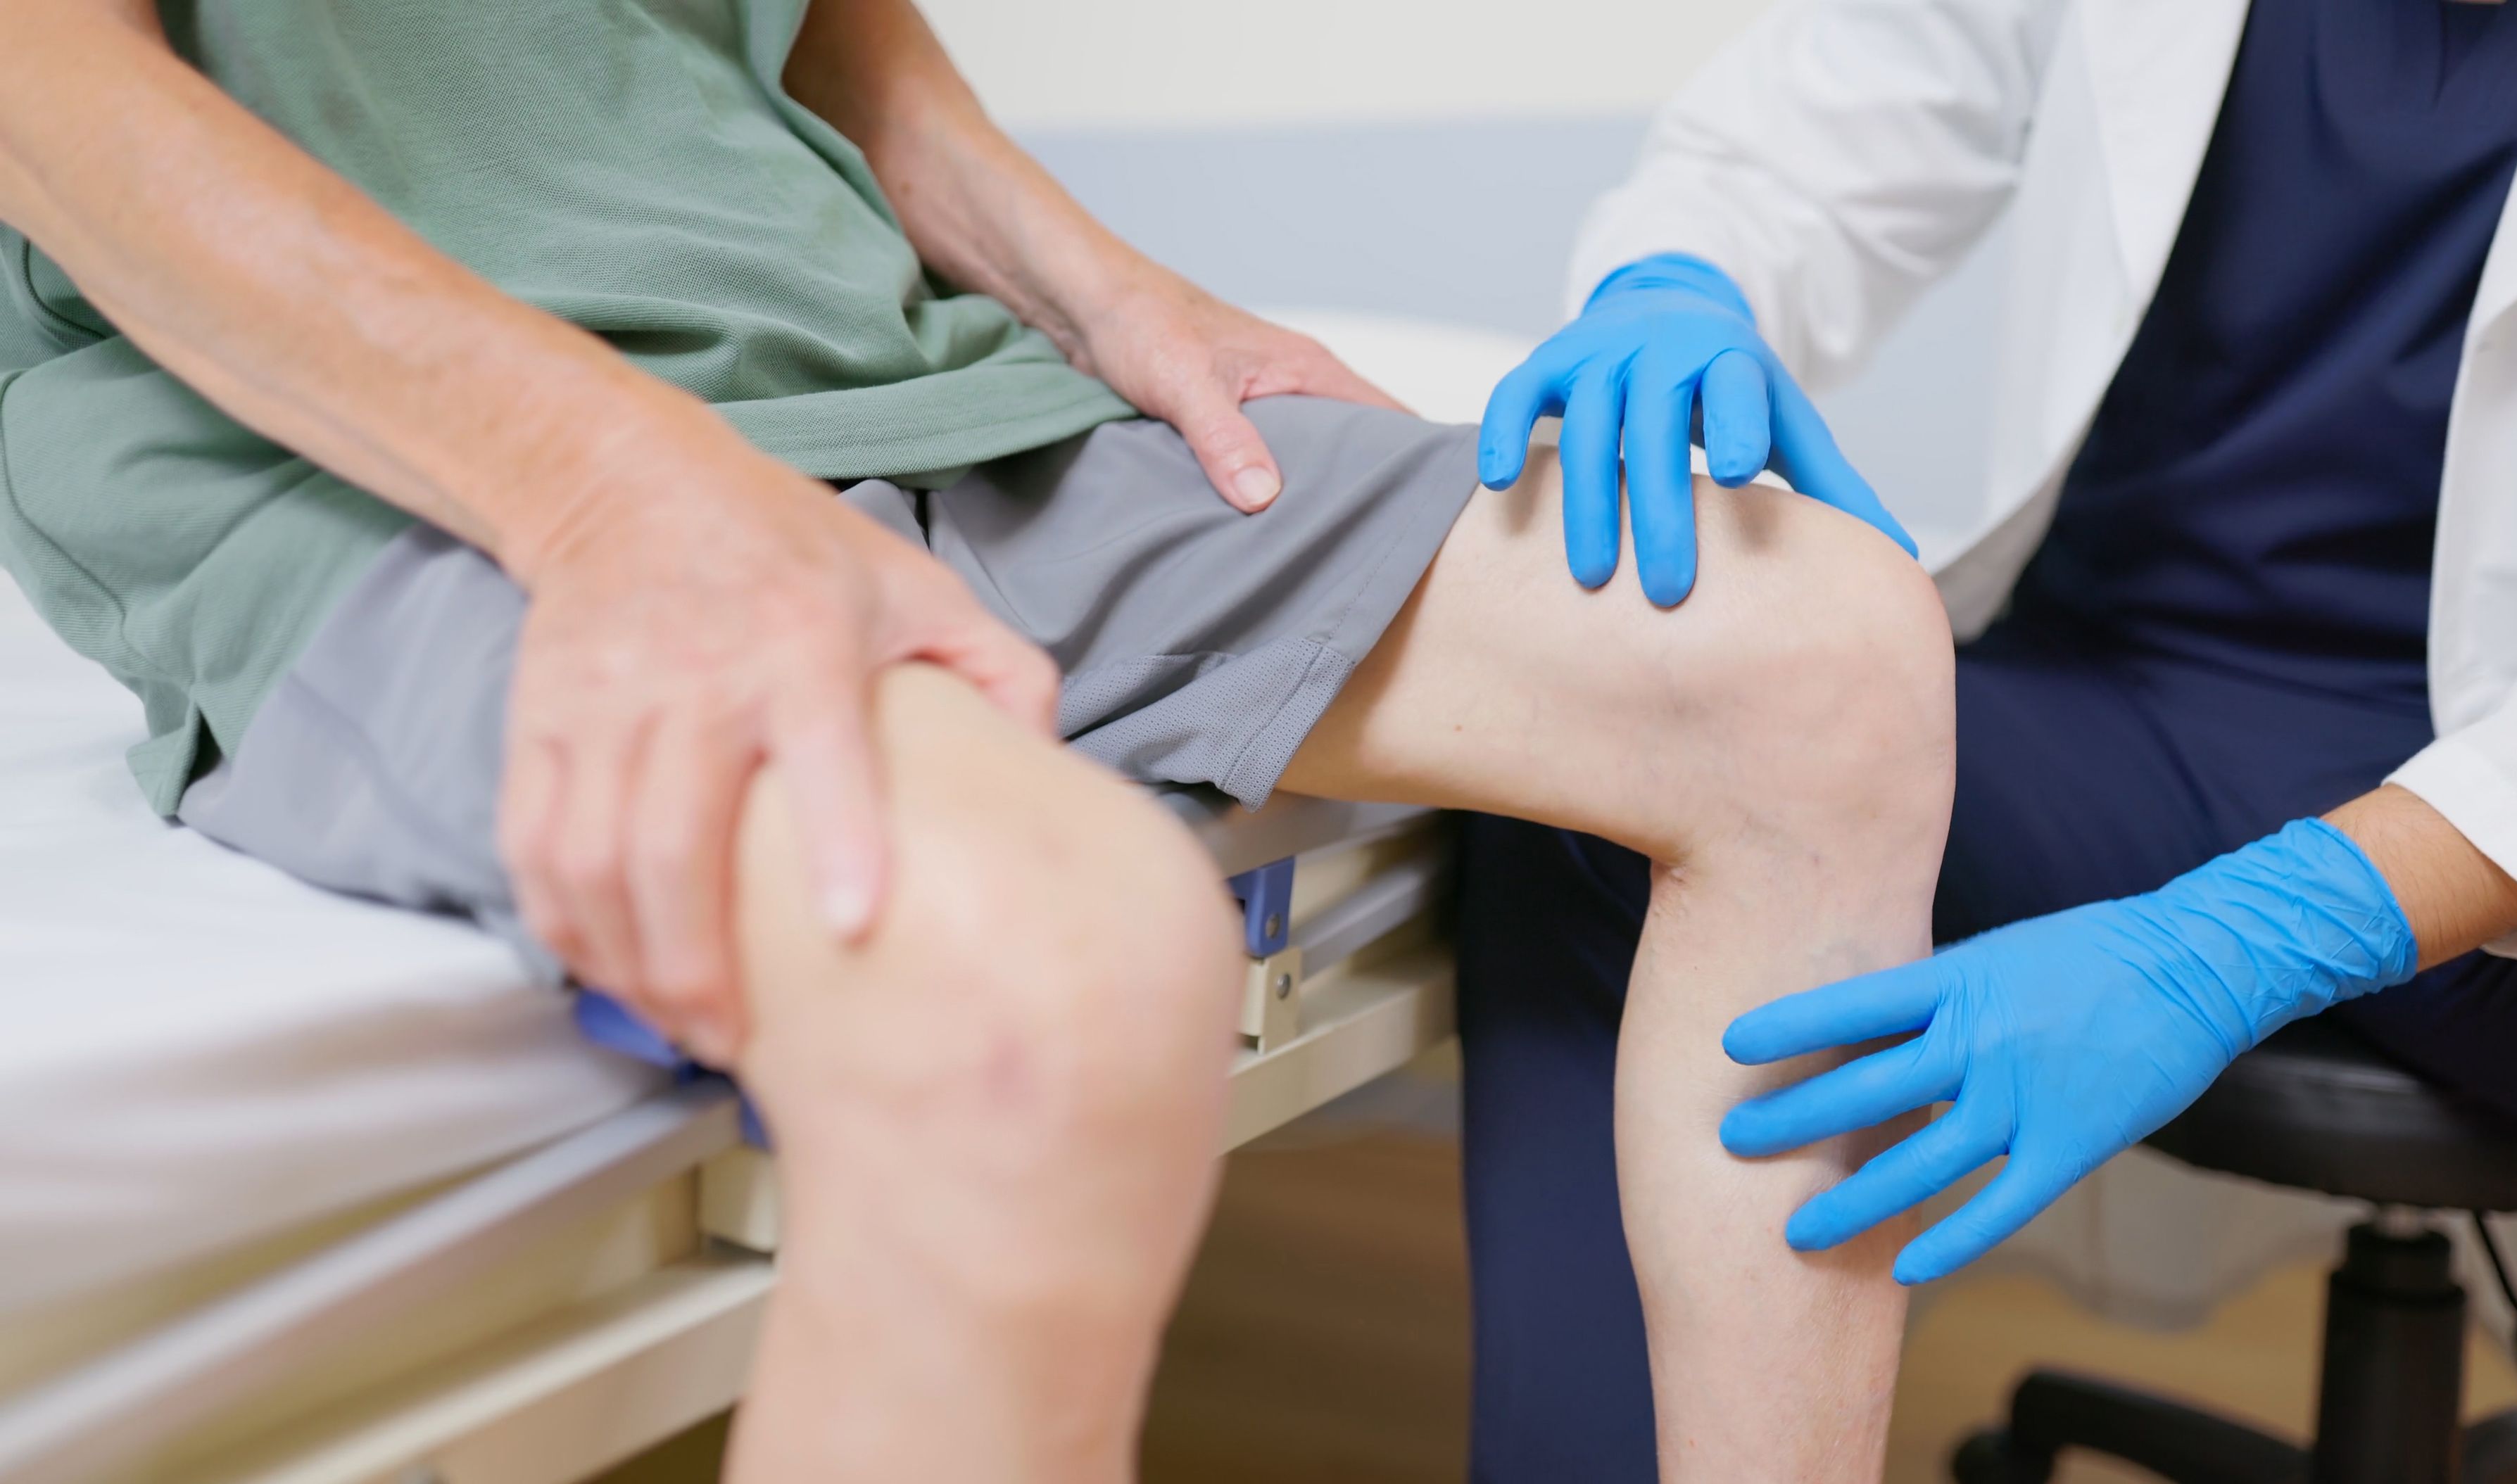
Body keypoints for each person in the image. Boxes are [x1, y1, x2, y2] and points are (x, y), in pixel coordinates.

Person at [0, 1, 1964, 1478]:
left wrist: (1103, 295)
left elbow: (799, 27)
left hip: (897, 364)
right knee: (1053, 965)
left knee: (1818, 661)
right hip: (398, 453)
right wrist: (612, 488)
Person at [1460, 0, 2517, 1478]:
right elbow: (1822, 127)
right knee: (1615, 783)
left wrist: (2253, 931)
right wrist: (1679, 283)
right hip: (2112, 705)